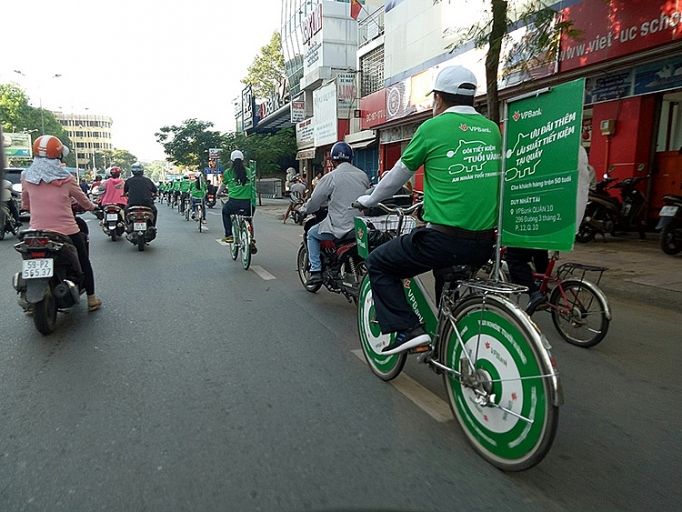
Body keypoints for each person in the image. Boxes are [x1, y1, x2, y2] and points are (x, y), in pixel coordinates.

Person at [355, 65, 500, 355]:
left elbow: (398, 174)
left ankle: (409, 329)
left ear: (439, 98)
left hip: (445, 241)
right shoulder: (493, 129)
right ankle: (448, 340)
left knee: (380, 263)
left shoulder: (431, 128)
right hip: (486, 243)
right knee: (446, 277)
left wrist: (368, 200)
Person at [505, 144, 592, 313]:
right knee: (539, 250)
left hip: (532, 216)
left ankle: (534, 293)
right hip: (556, 219)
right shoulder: (573, 150)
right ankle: (542, 284)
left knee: (514, 257)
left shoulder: (535, 151)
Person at [20, 135, 102, 311]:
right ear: (58, 156)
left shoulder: (26, 177)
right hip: (66, 231)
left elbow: (25, 205)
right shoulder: (66, 178)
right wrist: (93, 207)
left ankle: (28, 298)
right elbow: (83, 201)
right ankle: (92, 299)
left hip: (36, 231)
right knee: (83, 261)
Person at [299, 141, 371, 285]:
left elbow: (314, 202)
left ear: (332, 160)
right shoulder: (363, 175)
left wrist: (302, 210)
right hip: (361, 226)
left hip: (340, 226)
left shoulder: (331, 177)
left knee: (312, 234)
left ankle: (315, 271)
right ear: (351, 159)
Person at [220, 150, 257, 252]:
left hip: (233, 203)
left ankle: (229, 235)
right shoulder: (250, 171)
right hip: (249, 203)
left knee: (225, 212)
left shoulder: (228, 172)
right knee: (249, 219)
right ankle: (251, 240)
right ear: (243, 160)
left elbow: (223, 185)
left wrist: (218, 194)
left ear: (231, 161)